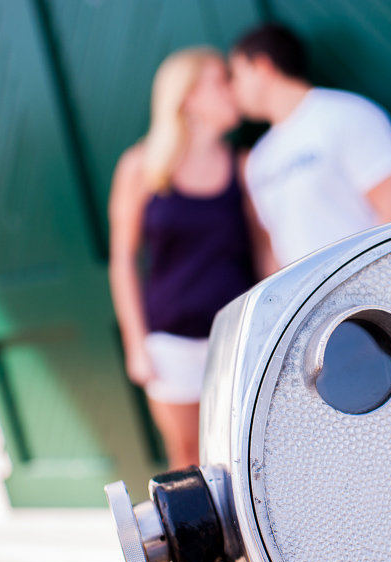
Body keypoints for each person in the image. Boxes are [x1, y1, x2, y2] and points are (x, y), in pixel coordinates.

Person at [108, 47, 267, 469]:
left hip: (236, 339)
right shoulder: (141, 166)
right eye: (220, 80)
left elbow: (263, 249)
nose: (232, 89)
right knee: (187, 460)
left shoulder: (243, 165)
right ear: (187, 96)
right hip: (171, 343)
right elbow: (122, 259)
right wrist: (135, 344)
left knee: (244, 458)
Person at [228, 24, 391, 270]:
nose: (232, 89)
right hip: (309, 305)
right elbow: (272, 248)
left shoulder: (348, 115)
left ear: (263, 67)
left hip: (372, 295)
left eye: (235, 75)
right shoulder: (259, 158)